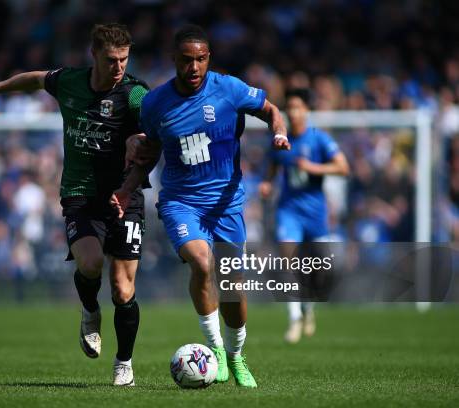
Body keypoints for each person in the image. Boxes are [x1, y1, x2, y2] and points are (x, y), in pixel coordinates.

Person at [111, 24, 290, 388]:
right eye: (187, 60)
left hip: (226, 204)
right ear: (175, 59)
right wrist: (128, 188)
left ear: (209, 59)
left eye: (201, 60)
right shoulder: (155, 103)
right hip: (181, 202)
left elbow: (272, 110)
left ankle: (237, 356)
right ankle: (216, 350)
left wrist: (279, 131)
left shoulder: (229, 89)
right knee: (201, 261)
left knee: (232, 285)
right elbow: (150, 152)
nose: (194, 67)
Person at [0, 23, 149, 386]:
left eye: (124, 59)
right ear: (94, 56)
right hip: (80, 194)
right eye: (111, 59)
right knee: (89, 264)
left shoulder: (134, 93)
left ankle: (124, 362)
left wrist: (141, 138)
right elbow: (37, 79)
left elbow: (150, 117)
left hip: (125, 196)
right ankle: (89, 310)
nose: (119, 67)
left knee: (122, 289)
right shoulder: (69, 81)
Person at [259, 88, 350, 344]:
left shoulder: (319, 140)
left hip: (316, 214)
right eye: (290, 108)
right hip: (289, 210)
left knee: (322, 265)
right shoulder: (279, 140)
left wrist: (313, 167)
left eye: (298, 107)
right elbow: (272, 169)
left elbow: (343, 167)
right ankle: (294, 317)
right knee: (287, 258)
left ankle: (309, 305)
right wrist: (267, 183)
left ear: (307, 110)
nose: (294, 113)